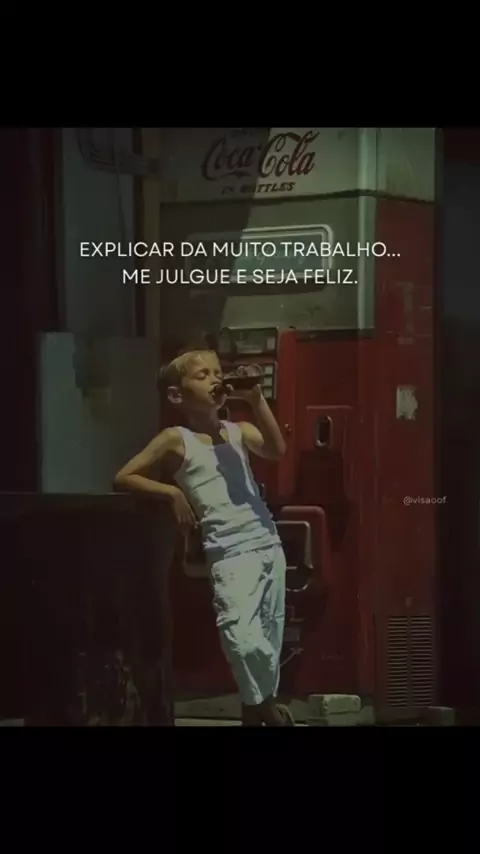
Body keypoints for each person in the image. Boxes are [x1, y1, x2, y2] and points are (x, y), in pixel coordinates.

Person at [113, 347, 294, 726]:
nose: (215, 379)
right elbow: (125, 476)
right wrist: (171, 492)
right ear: (177, 395)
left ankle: (257, 712)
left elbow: (277, 449)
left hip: (267, 543)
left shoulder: (237, 432)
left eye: (217, 372)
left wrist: (256, 400)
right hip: (229, 551)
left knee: (268, 639)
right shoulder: (175, 439)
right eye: (202, 375)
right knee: (242, 640)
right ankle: (269, 712)